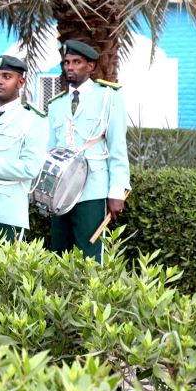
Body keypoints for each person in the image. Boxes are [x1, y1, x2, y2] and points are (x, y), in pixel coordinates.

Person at [46, 40, 130, 260]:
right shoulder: (56, 104)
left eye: (76, 62)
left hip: (93, 188)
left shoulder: (108, 97)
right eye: (66, 62)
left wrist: (117, 191)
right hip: (60, 192)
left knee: (91, 257)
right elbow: (50, 151)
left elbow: (117, 147)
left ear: (91, 67)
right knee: (59, 254)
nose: (69, 67)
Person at [0, 55, 49, 241]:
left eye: (6, 77)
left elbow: (30, 167)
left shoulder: (34, 120)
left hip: (7, 214)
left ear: (20, 82)